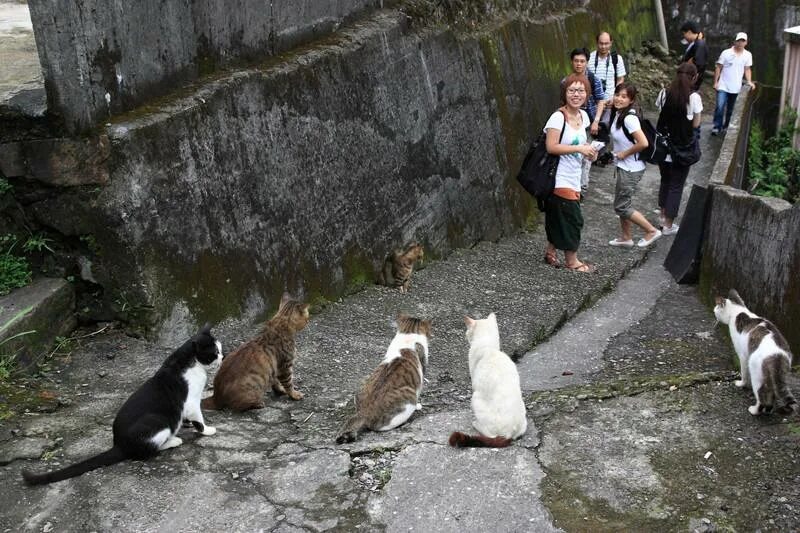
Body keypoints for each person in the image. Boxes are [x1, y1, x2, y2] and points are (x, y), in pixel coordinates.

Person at [543, 74, 598, 273]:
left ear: (587, 94)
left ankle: (550, 252)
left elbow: (580, 144)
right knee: (573, 218)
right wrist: (579, 150)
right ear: (564, 94)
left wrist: (589, 152)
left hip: (576, 174)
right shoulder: (558, 117)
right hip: (559, 176)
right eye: (572, 90)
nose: (576, 95)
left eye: (581, 91)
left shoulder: (584, 117)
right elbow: (551, 147)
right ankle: (572, 261)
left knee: (559, 216)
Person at [606, 83, 662, 248]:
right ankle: (626, 237)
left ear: (631, 100)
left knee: (622, 206)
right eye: (617, 94)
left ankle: (651, 230)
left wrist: (623, 154)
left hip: (631, 168)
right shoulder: (619, 113)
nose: (619, 99)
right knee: (622, 201)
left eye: (624, 97)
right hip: (624, 166)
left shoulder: (629, 118)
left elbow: (643, 143)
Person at [655, 63, 703, 236]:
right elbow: (696, 124)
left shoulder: (663, 94)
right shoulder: (694, 98)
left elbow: (661, 117)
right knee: (676, 186)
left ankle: (662, 216)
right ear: (695, 77)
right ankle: (668, 225)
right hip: (681, 150)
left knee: (665, 181)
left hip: (663, 148)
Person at [561, 48, 605, 194]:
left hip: (588, 123)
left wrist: (596, 121)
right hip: (571, 123)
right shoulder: (566, 82)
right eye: (576, 61)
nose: (579, 64)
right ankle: (572, 186)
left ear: (587, 62)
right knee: (572, 153)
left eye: (582, 61)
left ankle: (582, 188)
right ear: (572, 62)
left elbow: (601, 100)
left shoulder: (593, 79)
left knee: (586, 156)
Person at [711, 32, 756, 136]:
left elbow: (747, 69)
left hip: (736, 87)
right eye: (739, 40)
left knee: (731, 109)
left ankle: (726, 126)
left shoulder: (748, 55)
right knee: (720, 106)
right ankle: (717, 126)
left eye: (743, 41)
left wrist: (749, 81)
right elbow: (718, 67)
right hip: (723, 85)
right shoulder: (726, 53)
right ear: (735, 41)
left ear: (746, 43)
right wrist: (715, 82)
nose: (741, 43)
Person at [680, 21, 708, 91]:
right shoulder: (695, 43)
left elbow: (698, 64)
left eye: (684, 33)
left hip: (691, 81)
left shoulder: (699, 44)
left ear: (689, 32)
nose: (684, 36)